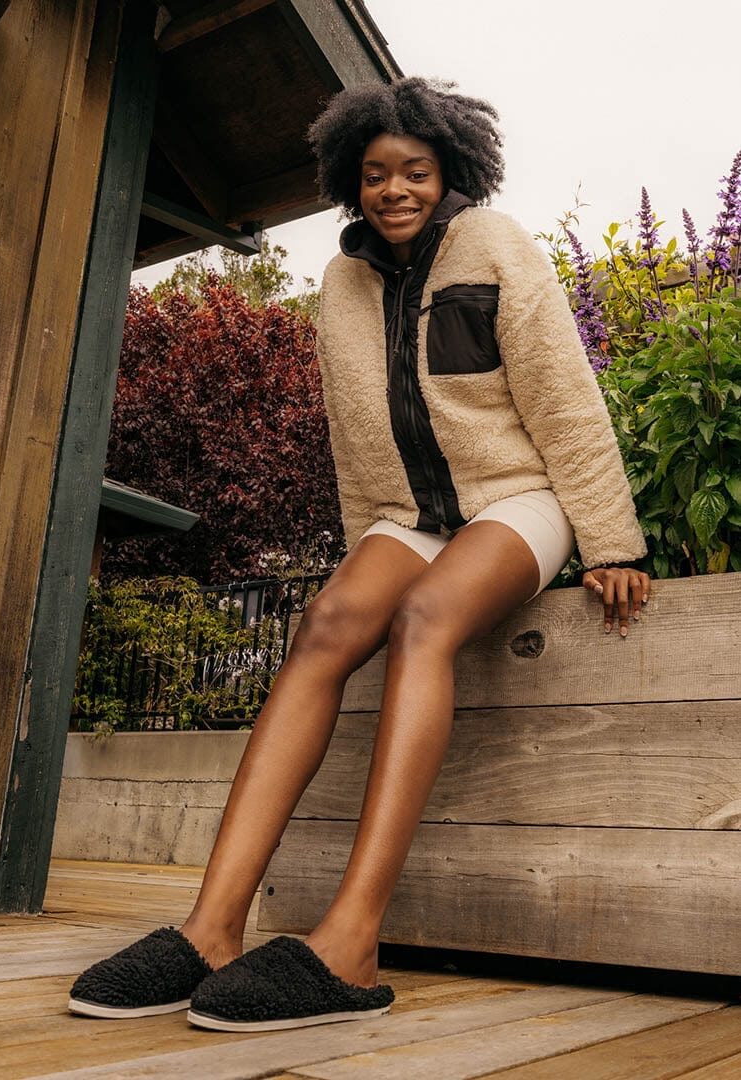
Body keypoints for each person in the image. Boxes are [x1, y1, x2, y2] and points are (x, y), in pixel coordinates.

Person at [67, 77, 651, 1032]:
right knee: (329, 621)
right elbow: (355, 434)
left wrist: (611, 539)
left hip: (518, 495)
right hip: (406, 512)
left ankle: (351, 941)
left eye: (415, 171)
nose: (395, 189)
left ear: (450, 171)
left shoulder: (497, 246)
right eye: (376, 174)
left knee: (426, 621)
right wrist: (359, 562)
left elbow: (564, 396)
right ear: (352, 180)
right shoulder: (342, 280)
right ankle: (212, 928)